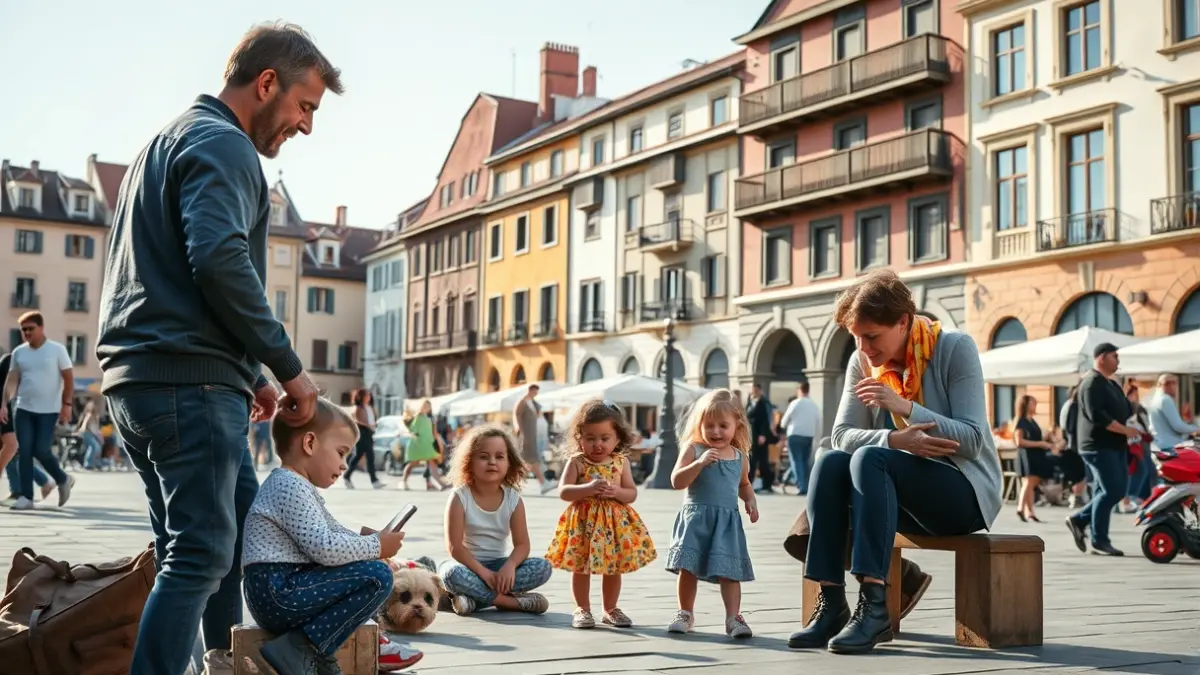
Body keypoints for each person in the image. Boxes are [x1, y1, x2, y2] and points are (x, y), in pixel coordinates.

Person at [95, 23, 332, 675]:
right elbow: (220, 261)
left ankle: (220, 662)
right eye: (305, 106)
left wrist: (248, 370)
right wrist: (289, 369)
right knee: (200, 553)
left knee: (217, 540)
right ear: (266, 84)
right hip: (184, 384)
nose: (306, 126)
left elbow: (173, 269)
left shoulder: (164, 141)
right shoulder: (226, 145)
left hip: (146, 377)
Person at [787, 270, 1000, 655]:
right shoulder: (862, 361)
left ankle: (874, 606)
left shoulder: (953, 348)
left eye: (872, 336)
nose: (864, 348)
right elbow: (840, 436)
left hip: (964, 494)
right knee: (831, 461)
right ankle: (832, 602)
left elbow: (972, 440)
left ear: (902, 322)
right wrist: (893, 438)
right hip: (899, 492)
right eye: (856, 337)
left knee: (870, 458)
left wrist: (904, 407)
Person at [241, 397, 403, 674]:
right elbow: (325, 548)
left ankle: (316, 651)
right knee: (378, 577)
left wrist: (364, 540)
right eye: (341, 453)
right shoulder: (289, 485)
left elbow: (332, 532)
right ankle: (301, 648)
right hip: (278, 592)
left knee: (372, 570)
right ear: (310, 444)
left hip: (282, 589)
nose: (343, 465)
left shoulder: (296, 485)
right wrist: (375, 545)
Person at [545, 400, 656, 629]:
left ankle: (610, 608)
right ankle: (582, 608)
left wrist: (617, 492)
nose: (597, 445)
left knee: (614, 567)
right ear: (580, 438)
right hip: (583, 523)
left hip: (613, 524)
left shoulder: (620, 462)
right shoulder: (577, 462)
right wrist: (586, 489)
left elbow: (632, 493)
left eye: (604, 438)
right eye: (590, 438)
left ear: (617, 438)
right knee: (581, 566)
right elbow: (564, 491)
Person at [665, 389, 759, 638]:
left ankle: (733, 617)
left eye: (723, 425)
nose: (716, 431)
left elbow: (743, 484)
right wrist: (698, 463)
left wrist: (750, 500)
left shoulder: (740, 457)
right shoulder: (693, 449)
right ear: (700, 425)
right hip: (696, 519)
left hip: (726, 522)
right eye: (710, 425)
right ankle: (685, 612)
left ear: (737, 426)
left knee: (729, 572)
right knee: (688, 568)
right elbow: (676, 480)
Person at [437, 424, 552, 616]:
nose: (492, 462)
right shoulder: (459, 496)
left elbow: (522, 545)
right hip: (468, 567)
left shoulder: (513, 499)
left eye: (499, 457)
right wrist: (484, 573)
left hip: (500, 566)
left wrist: (509, 566)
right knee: (450, 574)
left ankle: (473, 601)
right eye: (483, 457)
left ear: (509, 463)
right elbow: (455, 547)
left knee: (543, 568)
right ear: (469, 461)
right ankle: (508, 601)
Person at [1065, 343, 1139, 557]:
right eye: (1115, 356)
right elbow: (1097, 416)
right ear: (1101, 358)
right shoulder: (1090, 383)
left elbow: (1124, 410)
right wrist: (1125, 430)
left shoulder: (1111, 383)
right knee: (1113, 491)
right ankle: (1097, 537)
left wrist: (1130, 401)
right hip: (1097, 446)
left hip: (1114, 445)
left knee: (1107, 491)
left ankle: (1082, 523)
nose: (1118, 361)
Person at [0, 311, 76, 510]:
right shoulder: (19, 352)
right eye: (23, 330)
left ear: (41, 328)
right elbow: (11, 381)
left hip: (49, 410)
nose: (26, 333)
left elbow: (68, 378)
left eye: (30, 329)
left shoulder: (57, 350)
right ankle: (26, 497)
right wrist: (3, 404)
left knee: (41, 449)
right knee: (24, 451)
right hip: (23, 408)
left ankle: (62, 478)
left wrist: (67, 405)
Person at [1013, 395, 1053, 522]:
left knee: (1031, 483)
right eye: (1032, 403)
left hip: (1035, 455)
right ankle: (1020, 508)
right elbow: (1019, 441)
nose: (1034, 405)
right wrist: (1040, 444)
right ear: (1025, 405)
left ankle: (1029, 511)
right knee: (1028, 482)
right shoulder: (1021, 421)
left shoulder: (1032, 421)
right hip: (1027, 455)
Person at [779, 381, 821, 495]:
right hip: (809, 435)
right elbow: (818, 422)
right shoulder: (814, 405)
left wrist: (784, 426)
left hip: (795, 434)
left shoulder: (795, 403)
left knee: (796, 461)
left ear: (800, 390)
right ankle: (802, 484)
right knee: (804, 461)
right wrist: (816, 438)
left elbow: (784, 422)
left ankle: (801, 486)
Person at [514, 384, 556, 494]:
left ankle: (513, 485)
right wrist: (519, 429)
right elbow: (517, 415)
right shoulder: (522, 402)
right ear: (529, 390)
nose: (535, 394)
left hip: (531, 436)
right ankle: (543, 483)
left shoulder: (532, 403)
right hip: (526, 436)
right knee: (531, 460)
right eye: (534, 391)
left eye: (537, 392)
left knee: (527, 461)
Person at [1121, 383, 1154, 511]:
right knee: (1141, 469)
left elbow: (1145, 424)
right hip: (1134, 443)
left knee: (1146, 470)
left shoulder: (1137, 407)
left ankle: (1138, 496)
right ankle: (1132, 496)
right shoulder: (1129, 407)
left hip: (1140, 442)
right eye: (1134, 393)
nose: (1136, 395)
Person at [401, 400, 448, 490]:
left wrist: (438, 441)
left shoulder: (430, 418)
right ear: (421, 406)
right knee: (413, 463)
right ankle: (404, 481)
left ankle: (441, 484)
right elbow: (413, 430)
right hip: (418, 444)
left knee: (432, 463)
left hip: (427, 444)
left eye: (428, 406)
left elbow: (434, 432)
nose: (427, 408)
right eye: (425, 406)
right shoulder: (419, 416)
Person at [344, 388, 385, 489]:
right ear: (361, 397)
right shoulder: (358, 408)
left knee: (358, 456)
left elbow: (373, 419)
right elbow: (357, 421)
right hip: (362, 434)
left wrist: (373, 426)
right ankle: (374, 481)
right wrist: (369, 425)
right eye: (366, 395)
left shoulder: (369, 407)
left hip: (369, 433)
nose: (369, 397)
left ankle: (347, 476)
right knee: (368, 456)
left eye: (369, 395)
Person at [1147, 374, 1200, 452]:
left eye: (1174, 383)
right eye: (1167, 383)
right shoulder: (1165, 399)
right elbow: (1178, 426)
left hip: (1160, 444)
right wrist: (1197, 429)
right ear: (1160, 385)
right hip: (1171, 446)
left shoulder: (1154, 399)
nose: (1171, 386)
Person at [1057, 384, 1089, 509]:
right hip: (1075, 445)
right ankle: (1076, 497)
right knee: (1079, 473)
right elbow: (1071, 428)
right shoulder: (1074, 406)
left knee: (1079, 473)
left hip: (1071, 444)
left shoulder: (1068, 405)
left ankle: (1076, 496)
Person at [744, 383, 775, 494]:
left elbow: (766, 421)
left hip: (760, 436)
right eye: (752, 390)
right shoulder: (748, 403)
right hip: (751, 436)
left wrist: (763, 435)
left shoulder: (764, 403)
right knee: (751, 460)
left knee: (763, 462)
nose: (754, 393)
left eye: (756, 390)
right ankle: (749, 484)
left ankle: (766, 484)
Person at [78, 400, 104, 470]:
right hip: (87, 433)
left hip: (93, 434)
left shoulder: (96, 416)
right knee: (93, 446)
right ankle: (88, 464)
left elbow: (96, 428)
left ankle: (97, 463)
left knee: (98, 447)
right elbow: (84, 425)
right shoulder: (89, 414)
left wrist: (99, 436)